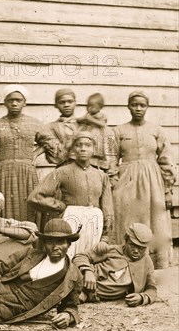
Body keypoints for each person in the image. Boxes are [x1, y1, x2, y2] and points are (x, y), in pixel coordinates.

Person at [0, 84, 55, 222]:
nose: (14, 103)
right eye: (10, 100)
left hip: (27, 173)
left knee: (28, 207)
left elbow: (51, 142)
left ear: (24, 103)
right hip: (2, 173)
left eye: (18, 100)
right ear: (5, 102)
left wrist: (35, 154)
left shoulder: (33, 123)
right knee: (0, 207)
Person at [111, 91, 176, 269]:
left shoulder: (157, 130)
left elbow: (167, 160)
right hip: (127, 182)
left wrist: (168, 190)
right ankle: (127, 262)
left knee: (156, 220)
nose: (138, 108)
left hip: (153, 182)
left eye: (142, 105)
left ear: (147, 107)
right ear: (128, 106)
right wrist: (113, 183)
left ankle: (155, 264)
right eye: (134, 104)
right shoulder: (118, 131)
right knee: (127, 220)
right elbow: (111, 160)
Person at [28, 131, 114, 258]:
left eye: (87, 145)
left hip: (95, 224)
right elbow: (35, 197)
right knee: (70, 257)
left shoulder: (101, 176)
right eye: (79, 145)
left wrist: (106, 237)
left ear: (94, 149)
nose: (83, 149)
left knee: (91, 259)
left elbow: (108, 209)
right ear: (73, 149)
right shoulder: (63, 172)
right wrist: (59, 206)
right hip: (71, 221)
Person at [74, 223, 157, 306]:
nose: (136, 251)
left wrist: (142, 297)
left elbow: (151, 287)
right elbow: (80, 256)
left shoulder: (147, 261)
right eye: (132, 245)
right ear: (126, 240)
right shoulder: (112, 250)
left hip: (91, 296)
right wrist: (88, 271)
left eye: (141, 248)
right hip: (81, 285)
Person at [77, 93, 113, 172]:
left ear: (100, 107)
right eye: (88, 106)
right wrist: (81, 119)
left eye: (92, 106)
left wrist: (90, 119)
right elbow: (80, 119)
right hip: (89, 134)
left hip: (98, 136)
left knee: (97, 150)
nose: (89, 108)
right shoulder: (88, 115)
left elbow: (103, 124)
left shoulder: (101, 115)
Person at [47, 88, 79, 167]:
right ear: (56, 105)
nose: (66, 105)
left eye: (70, 101)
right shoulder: (51, 128)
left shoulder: (84, 125)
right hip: (62, 169)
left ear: (75, 103)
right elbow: (53, 158)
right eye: (62, 102)